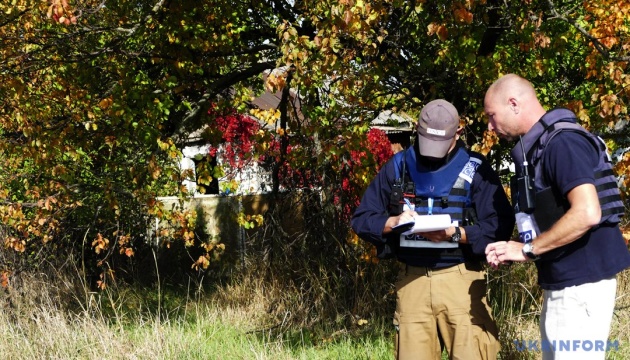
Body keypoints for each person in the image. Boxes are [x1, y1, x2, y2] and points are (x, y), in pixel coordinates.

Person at [351, 99, 515, 360]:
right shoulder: (398, 166)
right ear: (416, 129)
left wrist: (456, 235)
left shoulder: (477, 168)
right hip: (412, 282)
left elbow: (499, 228)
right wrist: (390, 223)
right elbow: (361, 219)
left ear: (458, 133)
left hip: (461, 281)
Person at [484, 74, 630, 360]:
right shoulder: (542, 146)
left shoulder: (562, 143)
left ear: (513, 103)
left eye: (492, 116)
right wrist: (514, 247)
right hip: (565, 283)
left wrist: (527, 249)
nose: (490, 126)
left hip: (581, 286)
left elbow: (587, 212)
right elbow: (558, 216)